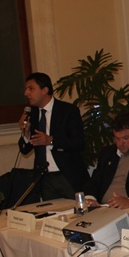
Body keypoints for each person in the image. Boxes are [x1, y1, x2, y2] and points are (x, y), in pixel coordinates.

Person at [18, 72, 89, 200]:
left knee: (76, 210)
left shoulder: (68, 111)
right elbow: (25, 149)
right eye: (26, 89)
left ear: (44, 90)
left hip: (67, 175)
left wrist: (51, 141)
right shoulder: (32, 114)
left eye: (31, 89)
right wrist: (26, 132)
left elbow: (78, 143)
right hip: (44, 178)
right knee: (50, 212)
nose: (26, 93)